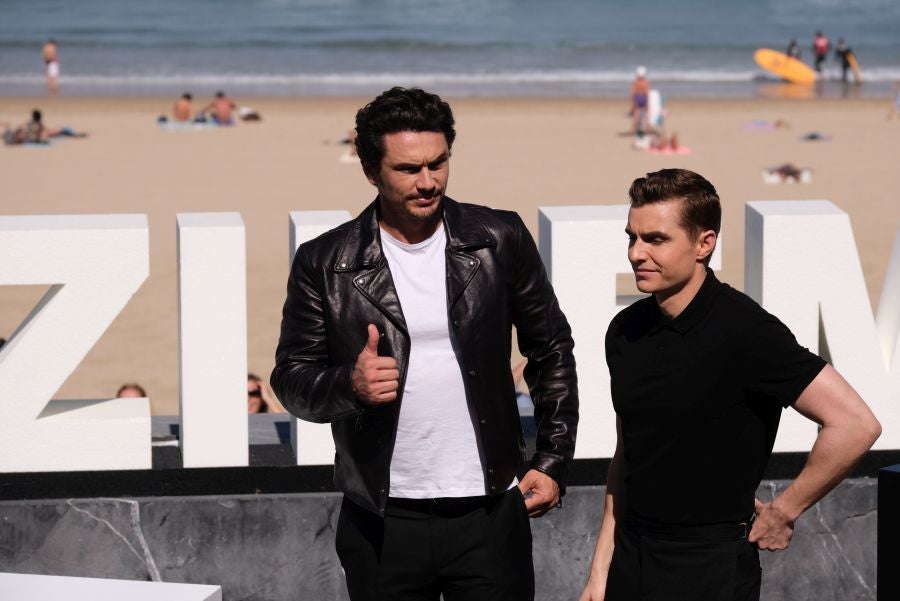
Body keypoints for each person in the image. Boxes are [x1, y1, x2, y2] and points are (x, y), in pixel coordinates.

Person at [271, 86, 579, 600]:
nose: (428, 181)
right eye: (408, 169)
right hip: (382, 518)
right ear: (371, 171)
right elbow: (291, 380)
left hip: (490, 510)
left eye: (439, 163)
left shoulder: (497, 238)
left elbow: (551, 348)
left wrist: (552, 461)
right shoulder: (326, 262)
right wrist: (349, 386)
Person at [579, 168, 881, 601]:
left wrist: (785, 510)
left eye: (656, 239)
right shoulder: (625, 331)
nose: (636, 253)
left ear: (705, 243)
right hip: (630, 558)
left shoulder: (747, 332)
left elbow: (855, 424)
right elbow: (626, 454)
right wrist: (599, 571)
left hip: (712, 567)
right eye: (632, 237)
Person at [3, 109, 87, 145]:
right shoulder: (37, 125)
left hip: (32, 135)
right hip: (38, 135)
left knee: (58, 130)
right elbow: (42, 134)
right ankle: (75, 135)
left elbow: (19, 129)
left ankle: (74, 135)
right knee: (60, 130)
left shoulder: (27, 124)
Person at [629, 66, 651, 135]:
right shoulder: (645, 82)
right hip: (644, 98)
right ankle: (648, 129)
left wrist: (633, 100)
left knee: (636, 114)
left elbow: (633, 92)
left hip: (637, 97)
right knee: (646, 114)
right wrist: (647, 102)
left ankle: (633, 129)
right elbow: (647, 92)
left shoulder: (635, 82)